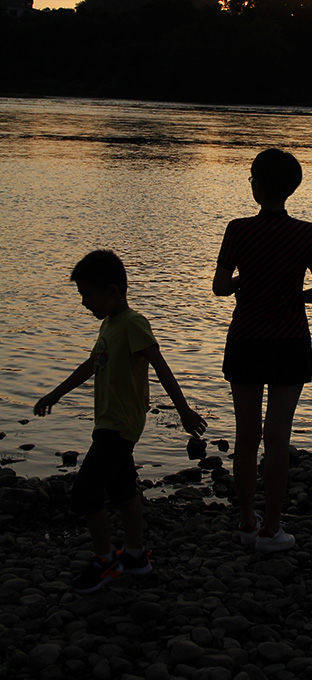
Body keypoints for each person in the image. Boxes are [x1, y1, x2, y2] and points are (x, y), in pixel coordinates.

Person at [34, 250, 207, 593]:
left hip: (120, 425)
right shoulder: (109, 325)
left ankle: (104, 559)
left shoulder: (132, 323)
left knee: (85, 494)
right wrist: (55, 394)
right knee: (123, 489)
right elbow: (91, 366)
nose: (84, 303)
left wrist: (183, 410)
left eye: (88, 294)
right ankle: (136, 557)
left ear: (112, 291)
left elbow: (160, 365)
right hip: (108, 422)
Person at [213, 148, 312, 553]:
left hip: (246, 339)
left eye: (252, 178)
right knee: (278, 436)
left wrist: (243, 285)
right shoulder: (307, 232)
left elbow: (220, 287)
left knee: (246, 435)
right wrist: (294, 296)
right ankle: (273, 528)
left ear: (258, 187)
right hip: (290, 340)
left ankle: (247, 522)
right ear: (291, 189)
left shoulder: (237, 230)